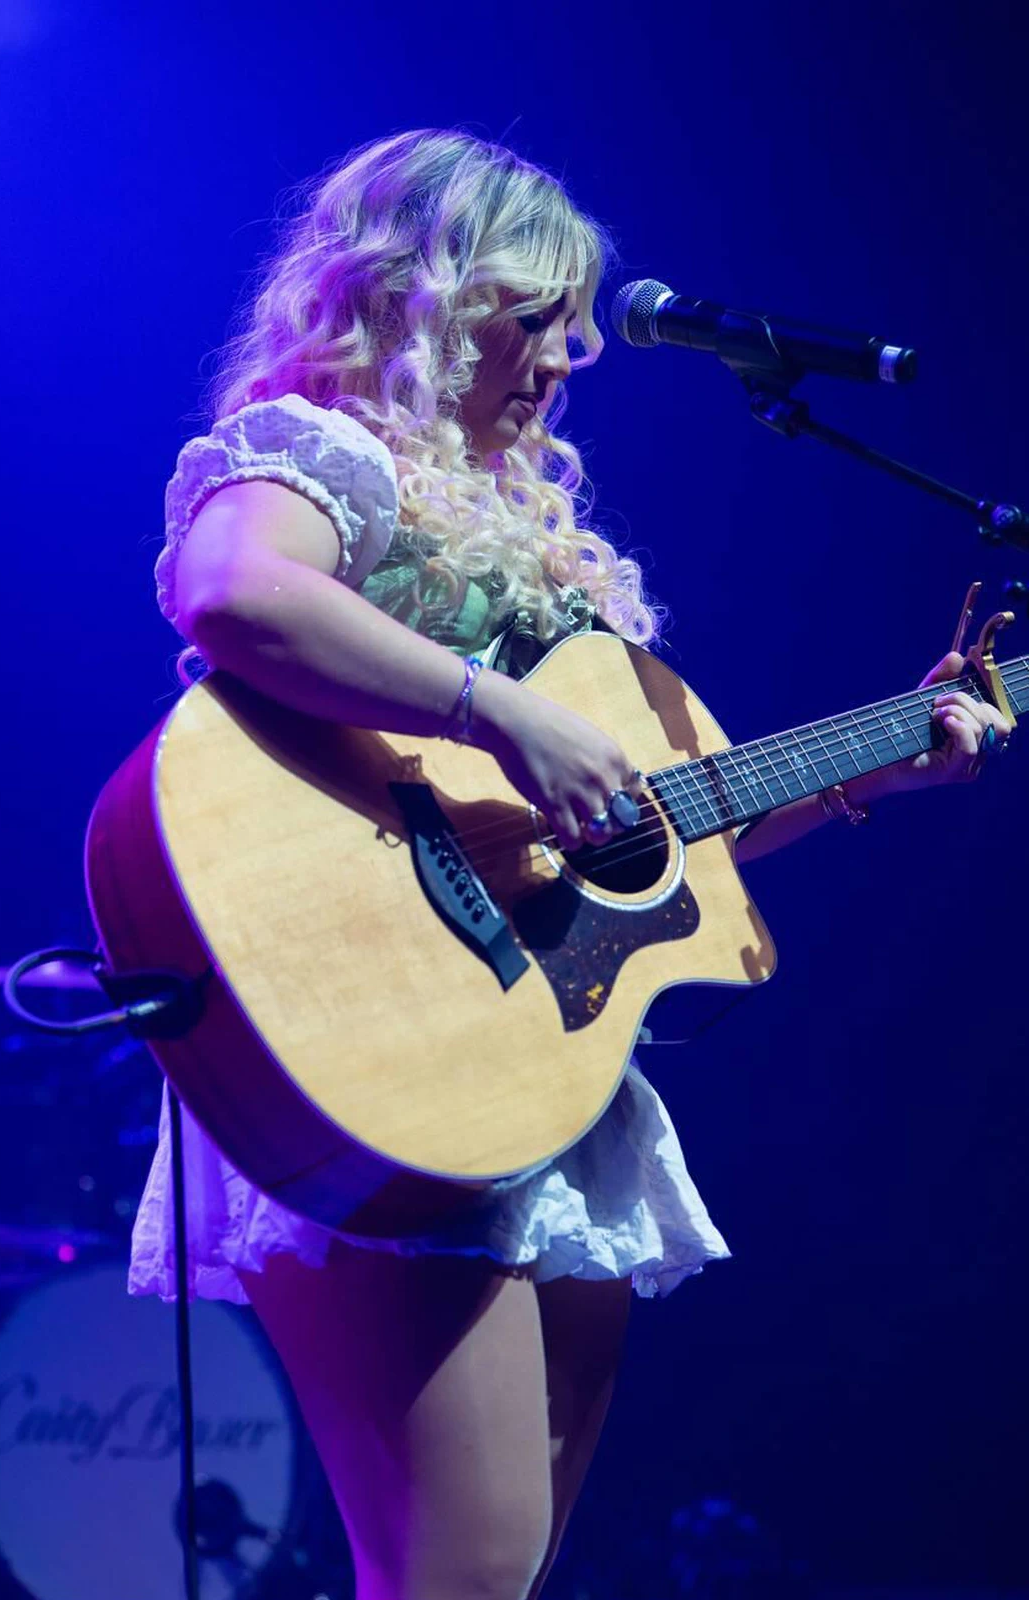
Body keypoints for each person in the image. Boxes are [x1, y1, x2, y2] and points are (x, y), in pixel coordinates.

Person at [128, 129, 1009, 1600]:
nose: (572, 352)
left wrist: (885, 767)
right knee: (457, 1581)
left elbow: (663, 840)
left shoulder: (534, 534)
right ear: (419, 297)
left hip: (530, 1054)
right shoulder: (322, 455)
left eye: (577, 320)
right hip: (371, 1039)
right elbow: (232, 594)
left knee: (500, 1577)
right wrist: (499, 710)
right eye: (534, 313)